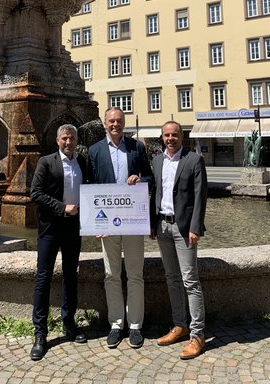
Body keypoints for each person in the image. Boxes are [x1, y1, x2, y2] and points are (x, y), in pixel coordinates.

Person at [88, 107, 151, 349]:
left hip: (132, 219)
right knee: (111, 274)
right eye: (111, 121)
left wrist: (140, 180)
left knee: (135, 274)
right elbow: (91, 186)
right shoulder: (95, 151)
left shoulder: (137, 147)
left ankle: (135, 325)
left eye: (119, 121)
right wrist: (95, 222)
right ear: (105, 124)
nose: (115, 124)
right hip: (108, 222)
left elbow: (149, 178)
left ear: (124, 123)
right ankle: (116, 323)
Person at [150, 121, 208, 360]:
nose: (170, 138)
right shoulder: (157, 161)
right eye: (166, 135)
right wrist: (152, 224)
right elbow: (155, 193)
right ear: (162, 137)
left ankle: (198, 335)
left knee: (190, 281)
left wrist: (195, 227)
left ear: (181, 137)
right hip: (163, 225)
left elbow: (200, 195)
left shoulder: (194, 160)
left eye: (174, 135)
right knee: (172, 278)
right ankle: (179, 325)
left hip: (184, 229)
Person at [29, 124, 87, 361]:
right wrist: (62, 208)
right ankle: (40, 333)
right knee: (43, 277)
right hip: (51, 228)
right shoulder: (46, 162)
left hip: (74, 228)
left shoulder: (82, 161)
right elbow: (35, 193)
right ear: (57, 140)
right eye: (64, 138)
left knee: (71, 275)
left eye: (72, 138)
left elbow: (93, 188)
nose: (68, 141)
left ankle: (68, 322)